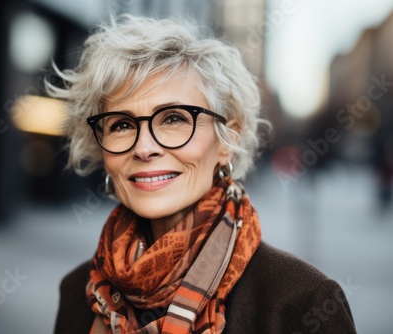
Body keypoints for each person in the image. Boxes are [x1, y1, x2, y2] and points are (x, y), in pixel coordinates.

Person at [48, 14, 356, 334]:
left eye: (174, 118)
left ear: (227, 141)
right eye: (122, 125)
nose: (144, 147)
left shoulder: (303, 302)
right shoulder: (76, 292)